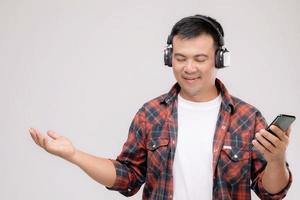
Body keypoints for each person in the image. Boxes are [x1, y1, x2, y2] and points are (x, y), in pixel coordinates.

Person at [29, 15, 292, 199]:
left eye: (200, 59)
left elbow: (271, 192)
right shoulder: (151, 114)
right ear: (169, 58)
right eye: (180, 58)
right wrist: (73, 155)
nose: (189, 68)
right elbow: (127, 177)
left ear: (220, 59)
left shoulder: (247, 118)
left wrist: (277, 159)